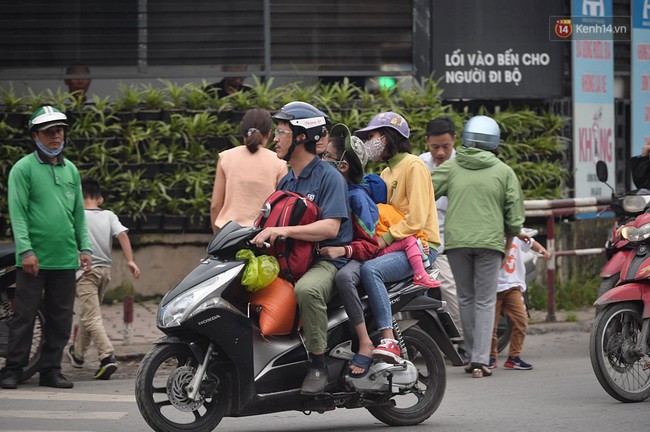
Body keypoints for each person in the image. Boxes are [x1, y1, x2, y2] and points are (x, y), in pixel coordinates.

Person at [251, 101, 352, 395]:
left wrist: (282, 230)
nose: (275, 138)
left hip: (326, 260)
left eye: (281, 132)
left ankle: (318, 363)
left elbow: (331, 227)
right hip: (293, 258)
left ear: (300, 137)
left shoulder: (329, 177)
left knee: (306, 290)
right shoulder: (288, 179)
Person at [0, 106, 92, 390]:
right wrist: (26, 251)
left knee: (60, 319)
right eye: (49, 131)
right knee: (24, 316)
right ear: (35, 136)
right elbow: (18, 212)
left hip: (65, 258)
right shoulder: (23, 169)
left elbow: (78, 213)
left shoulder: (70, 170)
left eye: (60, 130)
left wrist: (85, 248)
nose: (56, 136)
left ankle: (50, 370)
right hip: (34, 259)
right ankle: (12, 369)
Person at [432, 115, 526, 378]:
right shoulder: (504, 171)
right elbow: (515, 216)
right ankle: (481, 360)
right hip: (490, 242)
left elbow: (426, 190)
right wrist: (510, 237)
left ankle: (472, 354)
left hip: (456, 242)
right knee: (485, 301)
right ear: (494, 142)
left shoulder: (452, 168)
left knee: (465, 298)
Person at [354, 111, 441, 365]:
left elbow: (416, 218)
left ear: (389, 137)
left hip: (422, 245)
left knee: (371, 271)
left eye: (373, 136)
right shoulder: (384, 173)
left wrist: (385, 238)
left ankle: (388, 338)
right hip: (396, 243)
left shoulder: (414, 166)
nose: (370, 142)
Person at [67, 178, 141, 380]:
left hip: (86, 272)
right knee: (90, 314)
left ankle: (107, 356)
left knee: (91, 317)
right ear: (100, 199)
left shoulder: (76, 215)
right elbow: (123, 235)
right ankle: (78, 354)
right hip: (105, 272)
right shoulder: (109, 215)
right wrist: (130, 261)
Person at [419, 118, 464, 345]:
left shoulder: (461, 167)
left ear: (455, 140)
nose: (440, 152)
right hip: (418, 242)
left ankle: (461, 339)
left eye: (446, 146)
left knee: (449, 289)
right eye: (435, 146)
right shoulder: (419, 164)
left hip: (448, 243)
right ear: (426, 141)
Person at [210, 108, 287, 232]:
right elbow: (283, 207)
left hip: (229, 232)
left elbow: (215, 206)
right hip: (263, 234)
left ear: (242, 132)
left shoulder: (226, 157)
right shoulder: (279, 162)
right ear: (269, 133)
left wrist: (217, 237)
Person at [489, 231, 550, 370]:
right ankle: (491, 357)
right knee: (490, 325)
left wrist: (542, 250)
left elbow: (531, 242)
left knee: (521, 320)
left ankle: (514, 357)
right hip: (493, 287)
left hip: (513, 287)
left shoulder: (517, 233)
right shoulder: (491, 232)